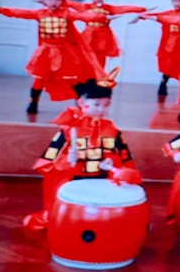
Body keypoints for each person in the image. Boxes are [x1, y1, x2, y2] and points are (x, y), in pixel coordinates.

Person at [22, 77, 142, 232]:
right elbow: (47, 161)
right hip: (75, 181)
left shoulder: (112, 130)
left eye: (106, 105)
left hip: (103, 181)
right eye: (96, 104)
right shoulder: (68, 130)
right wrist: (67, 160)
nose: (101, 109)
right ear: (81, 102)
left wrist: (113, 165)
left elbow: (126, 158)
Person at [0, 0, 106, 113]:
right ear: (44, 0)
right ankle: (33, 102)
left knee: (72, 78)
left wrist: (101, 17)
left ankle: (80, 105)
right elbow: (21, 13)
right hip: (45, 52)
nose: (54, 2)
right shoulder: (40, 13)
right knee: (39, 79)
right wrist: (1, 10)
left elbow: (83, 16)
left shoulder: (67, 14)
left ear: (63, 1)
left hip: (65, 52)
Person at [77, 0, 146, 70]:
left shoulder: (109, 8)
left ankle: (99, 77)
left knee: (100, 60)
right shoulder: (85, 7)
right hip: (88, 36)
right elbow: (71, 6)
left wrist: (141, 9)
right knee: (86, 58)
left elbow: (124, 8)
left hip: (102, 37)